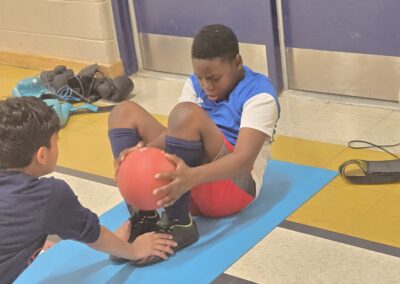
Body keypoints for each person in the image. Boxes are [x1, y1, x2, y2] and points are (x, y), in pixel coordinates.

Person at [108, 24, 280, 265]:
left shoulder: (260, 94)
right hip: (187, 181)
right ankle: (144, 218)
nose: (206, 85)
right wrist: (137, 156)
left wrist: (192, 177)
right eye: (200, 77)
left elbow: (243, 161)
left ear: (238, 62)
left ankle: (180, 223)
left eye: (214, 78)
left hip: (234, 187)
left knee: (186, 114)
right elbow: (174, 135)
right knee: (124, 112)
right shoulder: (196, 83)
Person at [0, 97, 176, 284]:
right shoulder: (48, 197)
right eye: (57, 141)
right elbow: (95, 236)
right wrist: (133, 250)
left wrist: (30, 238)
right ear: (42, 155)